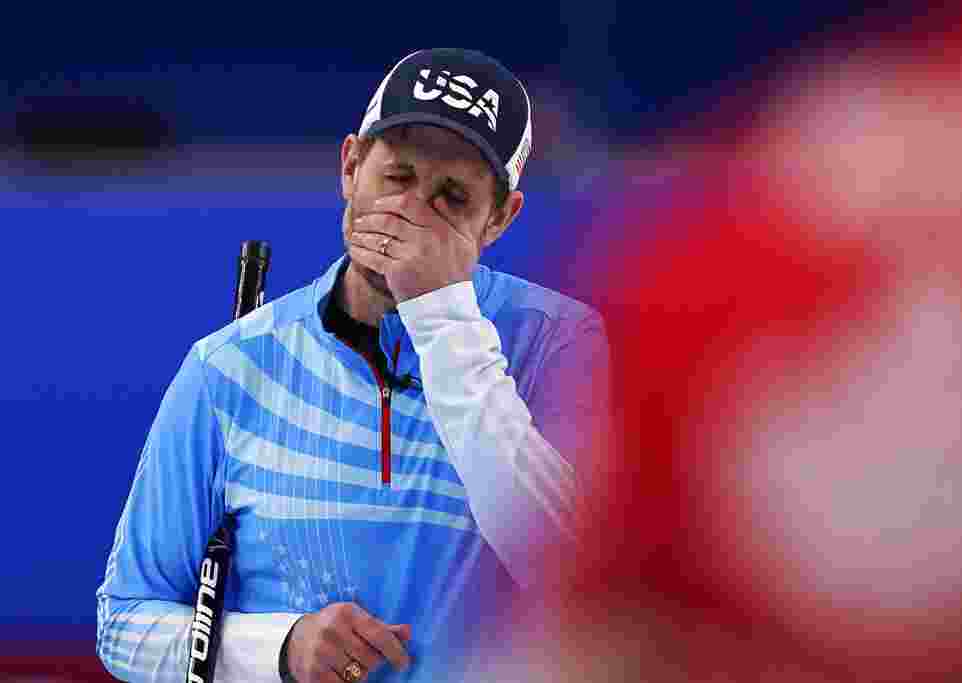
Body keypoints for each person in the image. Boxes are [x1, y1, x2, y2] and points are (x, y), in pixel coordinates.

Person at [96, 48, 610, 683]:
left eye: (451, 198)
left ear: (500, 218)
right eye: (396, 177)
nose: (411, 214)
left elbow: (587, 582)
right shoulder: (226, 367)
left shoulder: (562, 346)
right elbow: (124, 624)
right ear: (350, 166)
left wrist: (443, 318)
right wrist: (277, 648)